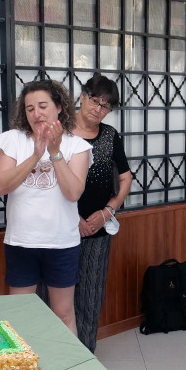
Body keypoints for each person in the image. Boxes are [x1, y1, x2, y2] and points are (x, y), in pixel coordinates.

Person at [0, 79, 91, 335]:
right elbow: (1, 186)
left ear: (58, 107)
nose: (36, 113)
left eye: (43, 106)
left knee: (63, 313)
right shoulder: (13, 140)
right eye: (29, 108)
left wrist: (55, 152)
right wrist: (36, 155)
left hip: (61, 243)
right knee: (21, 314)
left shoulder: (77, 146)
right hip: (21, 241)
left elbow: (73, 193)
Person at [72, 75, 132, 353]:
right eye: (95, 101)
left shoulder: (109, 136)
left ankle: (85, 353)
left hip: (98, 228)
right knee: (53, 293)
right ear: (82, 96)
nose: (98, 109)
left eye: (106, 106)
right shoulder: (60, 132)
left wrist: (108, 212)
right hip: (61, 228)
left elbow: (126, 177)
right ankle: (58, 355)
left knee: (91, 294)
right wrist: (76, 220)